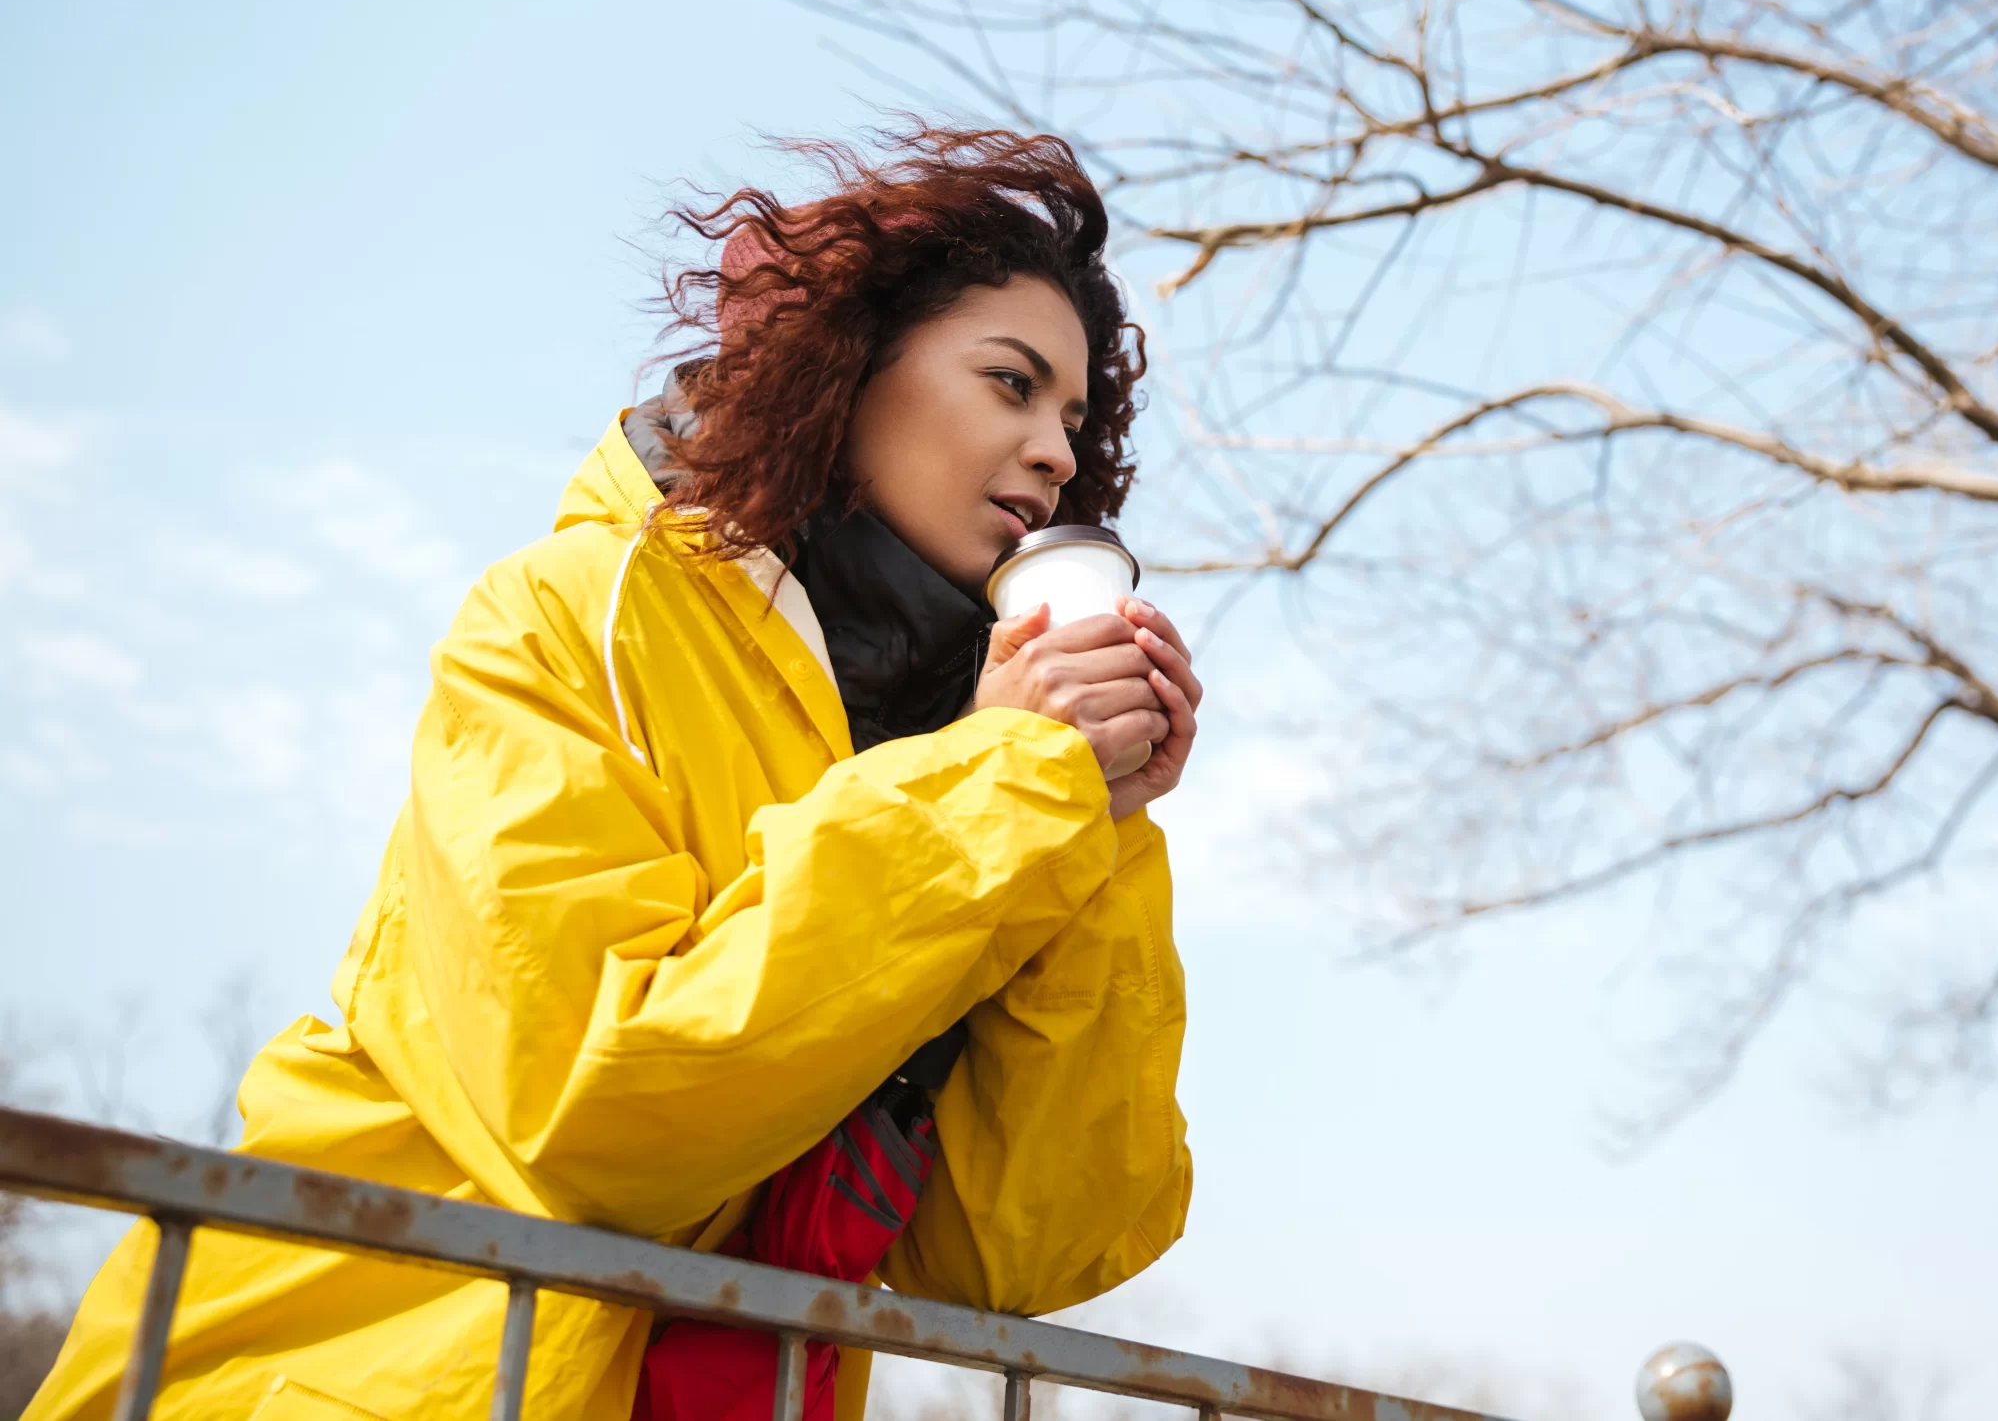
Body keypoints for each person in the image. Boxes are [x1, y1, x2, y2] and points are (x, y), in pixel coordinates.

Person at [27, 127, 1202, 1421]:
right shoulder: (565, 613)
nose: (1052, 450)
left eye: (1074, 419)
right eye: (1011, 382)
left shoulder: (961, 764)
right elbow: (597, 1111)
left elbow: (1027, 1242)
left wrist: (1091, 818)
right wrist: (1000, 789)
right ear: (849, 365)